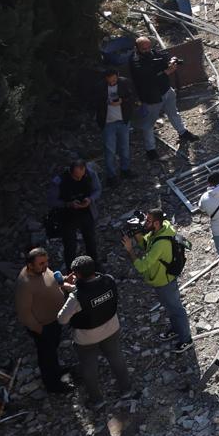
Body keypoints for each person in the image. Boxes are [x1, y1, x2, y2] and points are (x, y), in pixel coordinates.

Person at [57, 257, 133, 406]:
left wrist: (68, 291)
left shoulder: (76, 297)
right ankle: (126, 389)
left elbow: (62, 319)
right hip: (111, 327)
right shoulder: (108, 280)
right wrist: (72, 287)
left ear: (77, 274)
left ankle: (97, 400)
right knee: (116, 357)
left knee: (89, 367)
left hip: (87, 338)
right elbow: (93, 292)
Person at [125, 211, 193, 353]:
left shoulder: (161, 242)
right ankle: (176, 330)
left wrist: (130, 250)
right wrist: (138, 234)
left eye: (148, 221)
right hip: (159, 280)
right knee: (170, 307)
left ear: (156, 223)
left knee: (176, 309)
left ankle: (187, 340)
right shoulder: (160, 230)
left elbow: (143, 266)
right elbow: (147, 246)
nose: (145, 223)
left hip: (165, 282)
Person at [15, 247, 72, 396]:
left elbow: (53, 281)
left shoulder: (42, 270)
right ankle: (53, 385)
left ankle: (57, 371)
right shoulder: (25, 284)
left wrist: (65, 280)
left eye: (46, 262)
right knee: (46, 355)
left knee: (52, 350)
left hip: (55, 320)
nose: (45, 265)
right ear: (30, 265)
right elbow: (24, 313)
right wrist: (40, 330)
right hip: (43, 326)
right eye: (41, 263)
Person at [130, 37, 195, 160]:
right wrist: (166, 72)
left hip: (166, 90)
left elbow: (163, 57)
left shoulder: (152, 53)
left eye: (149, 47)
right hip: (151, 97)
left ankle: (182, 132)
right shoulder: (135, 61)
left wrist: (172, 60)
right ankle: (150, 149)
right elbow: (146, 79)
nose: (148, 50)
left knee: (173, 113)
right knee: (149, 123)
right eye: (144, 49)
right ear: (137, 48)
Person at [46, 159, 102, 268]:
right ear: (71, 172)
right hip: (67, 215)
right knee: (70, 245)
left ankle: (94, 265)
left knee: (90, 240)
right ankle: (71, 271)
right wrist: (68, 204)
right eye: (76, 177)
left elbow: (97, 190)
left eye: (81, 175)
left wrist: (90, 199)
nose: (79, 179)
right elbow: (51, 201)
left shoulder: (90, 174)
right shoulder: (60, 181)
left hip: (86, 212)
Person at [98, 70, 136, 185]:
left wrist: (122, 101)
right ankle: (111, 176)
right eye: (110, 80)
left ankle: (125, 170)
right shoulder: (100, 87)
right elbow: (94, 102)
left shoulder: (125, 83)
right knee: (110, 151)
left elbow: (132, 97)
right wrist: (106, 102)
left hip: (123, 121)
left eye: (115, 79)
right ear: (106, 78)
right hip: (108, 123)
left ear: (118, 76)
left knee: (125, 147)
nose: (113, 81)